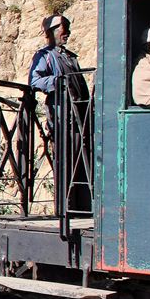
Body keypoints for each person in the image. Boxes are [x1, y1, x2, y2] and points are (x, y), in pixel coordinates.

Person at [28, 13, 92, 213]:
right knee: (66, 161)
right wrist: (57, 82)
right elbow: (34, 80)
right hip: (63, 116)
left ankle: (83, 205)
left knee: (83, 159)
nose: (68, 33)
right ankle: (66, 209)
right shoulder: (45, 56)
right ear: (53, 31)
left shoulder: (70, 57)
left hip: (80, 115)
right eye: (64, 29)